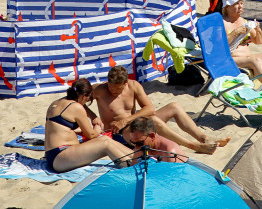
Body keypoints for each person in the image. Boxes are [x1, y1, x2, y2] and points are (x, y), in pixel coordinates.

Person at [93, 66, 229, 154]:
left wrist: (126, 120)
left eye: (118, 88)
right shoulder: (100, 90)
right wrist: (94, 116)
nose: (113, 91)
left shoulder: (133, 86)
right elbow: (77, 98)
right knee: (152, 120)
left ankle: (203, 138)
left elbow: (150, 108)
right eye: (111, 87)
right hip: (121, 134)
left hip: (133, 122)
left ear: (125, 83)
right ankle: (193, 146)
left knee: (174, 106)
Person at [44, 79, 134, 172]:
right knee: (105, 144)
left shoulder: (57, 102)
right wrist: (97, 128)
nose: (85, 104)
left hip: (53, 155)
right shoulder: (76, 106)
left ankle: (138, 156)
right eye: (87, 100)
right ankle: (131, 166)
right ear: (83, 96)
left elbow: (61, 128)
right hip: (61, 156)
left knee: (105, 139)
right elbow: (91, 135)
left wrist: (94, 118)